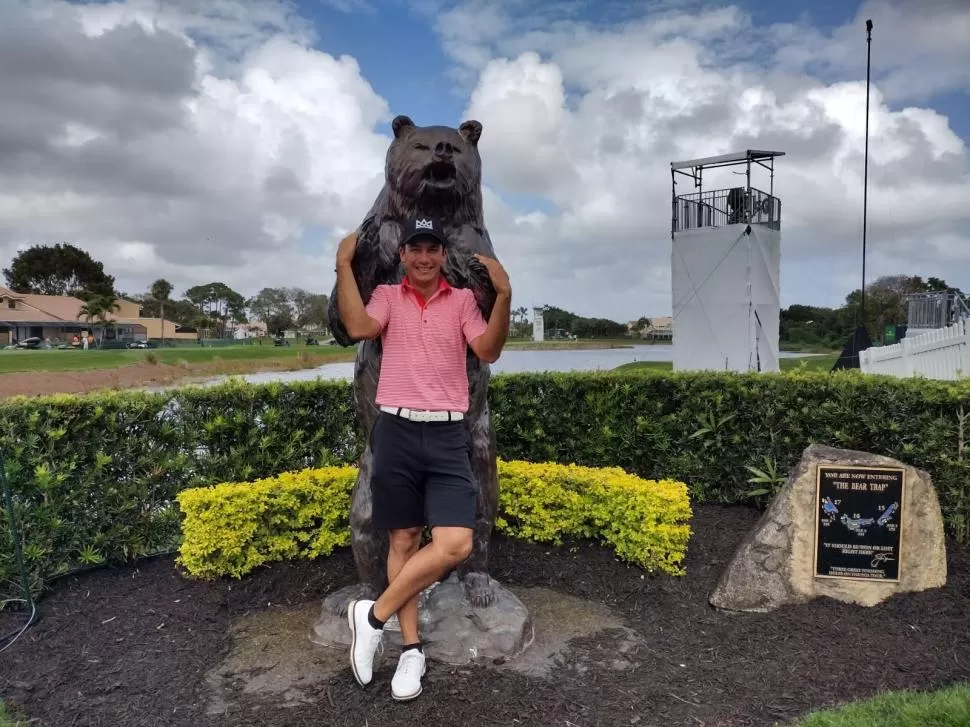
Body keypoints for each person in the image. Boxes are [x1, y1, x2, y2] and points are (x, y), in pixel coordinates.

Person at [334, 217, 511, 701]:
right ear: (404, 255)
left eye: (432, 248)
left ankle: (370, 618)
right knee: (405, 539)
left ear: (441, 254)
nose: (424, 257)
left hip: (448, 435)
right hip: (396, 431)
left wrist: (505, 297)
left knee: (455, 543)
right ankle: (410, 650)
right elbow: (356, 327)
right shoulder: (389, 297)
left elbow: (488, 350)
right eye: (416, 249)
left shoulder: (462, 303)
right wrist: (342, 265)